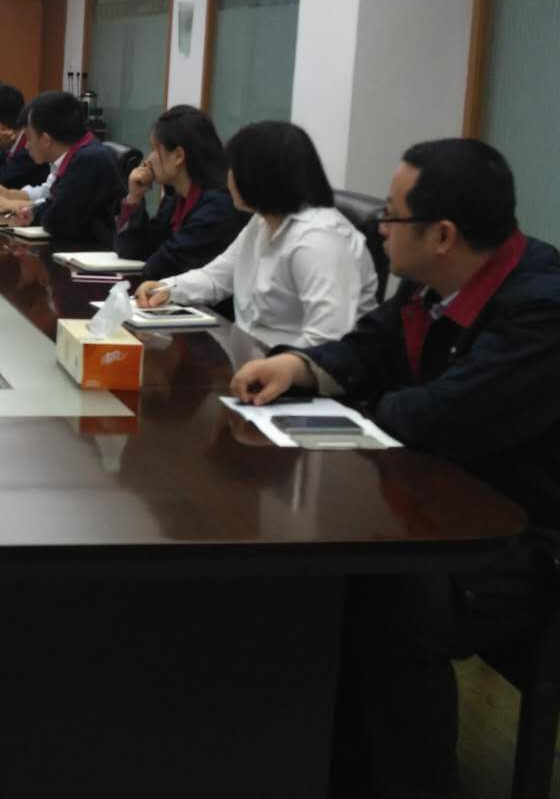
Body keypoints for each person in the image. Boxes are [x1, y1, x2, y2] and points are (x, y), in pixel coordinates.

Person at [229, 138, 560, 799]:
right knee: (306, 566)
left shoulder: (541, 307)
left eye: (391, 214)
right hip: (432, 494)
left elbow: (446, 416)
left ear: (443, 235)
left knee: (385, 594)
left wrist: (357, 407)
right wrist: (299, 366)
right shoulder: (433, 281)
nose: (379, 226)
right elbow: (371, 344)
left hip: (519, 534)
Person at [133, 121, 377, 347]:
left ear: (259, 175)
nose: (227, 177)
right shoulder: (262, 222)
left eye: (233, 169)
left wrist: (275, 367)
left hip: (296, 370)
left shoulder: (320, 239)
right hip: (251, 356)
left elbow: (328, 338)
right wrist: (168, 289)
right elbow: (216, 277)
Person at [115, 105, 250, 281]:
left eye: (155, 149)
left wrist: (153, 259)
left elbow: (158, 268)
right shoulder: (178, 198)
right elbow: (131, 250)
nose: (148, 160)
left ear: (178, 156)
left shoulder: (217, 207)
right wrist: (134, 198)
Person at [0, 91, 122, 243]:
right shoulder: (74, 154)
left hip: (93, 249)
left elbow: (58, 219)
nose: (26, 146)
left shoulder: (89, 159)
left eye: (28, 137)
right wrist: (26, 206)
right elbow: (53, 200)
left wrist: (20, 208)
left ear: (46, 140)